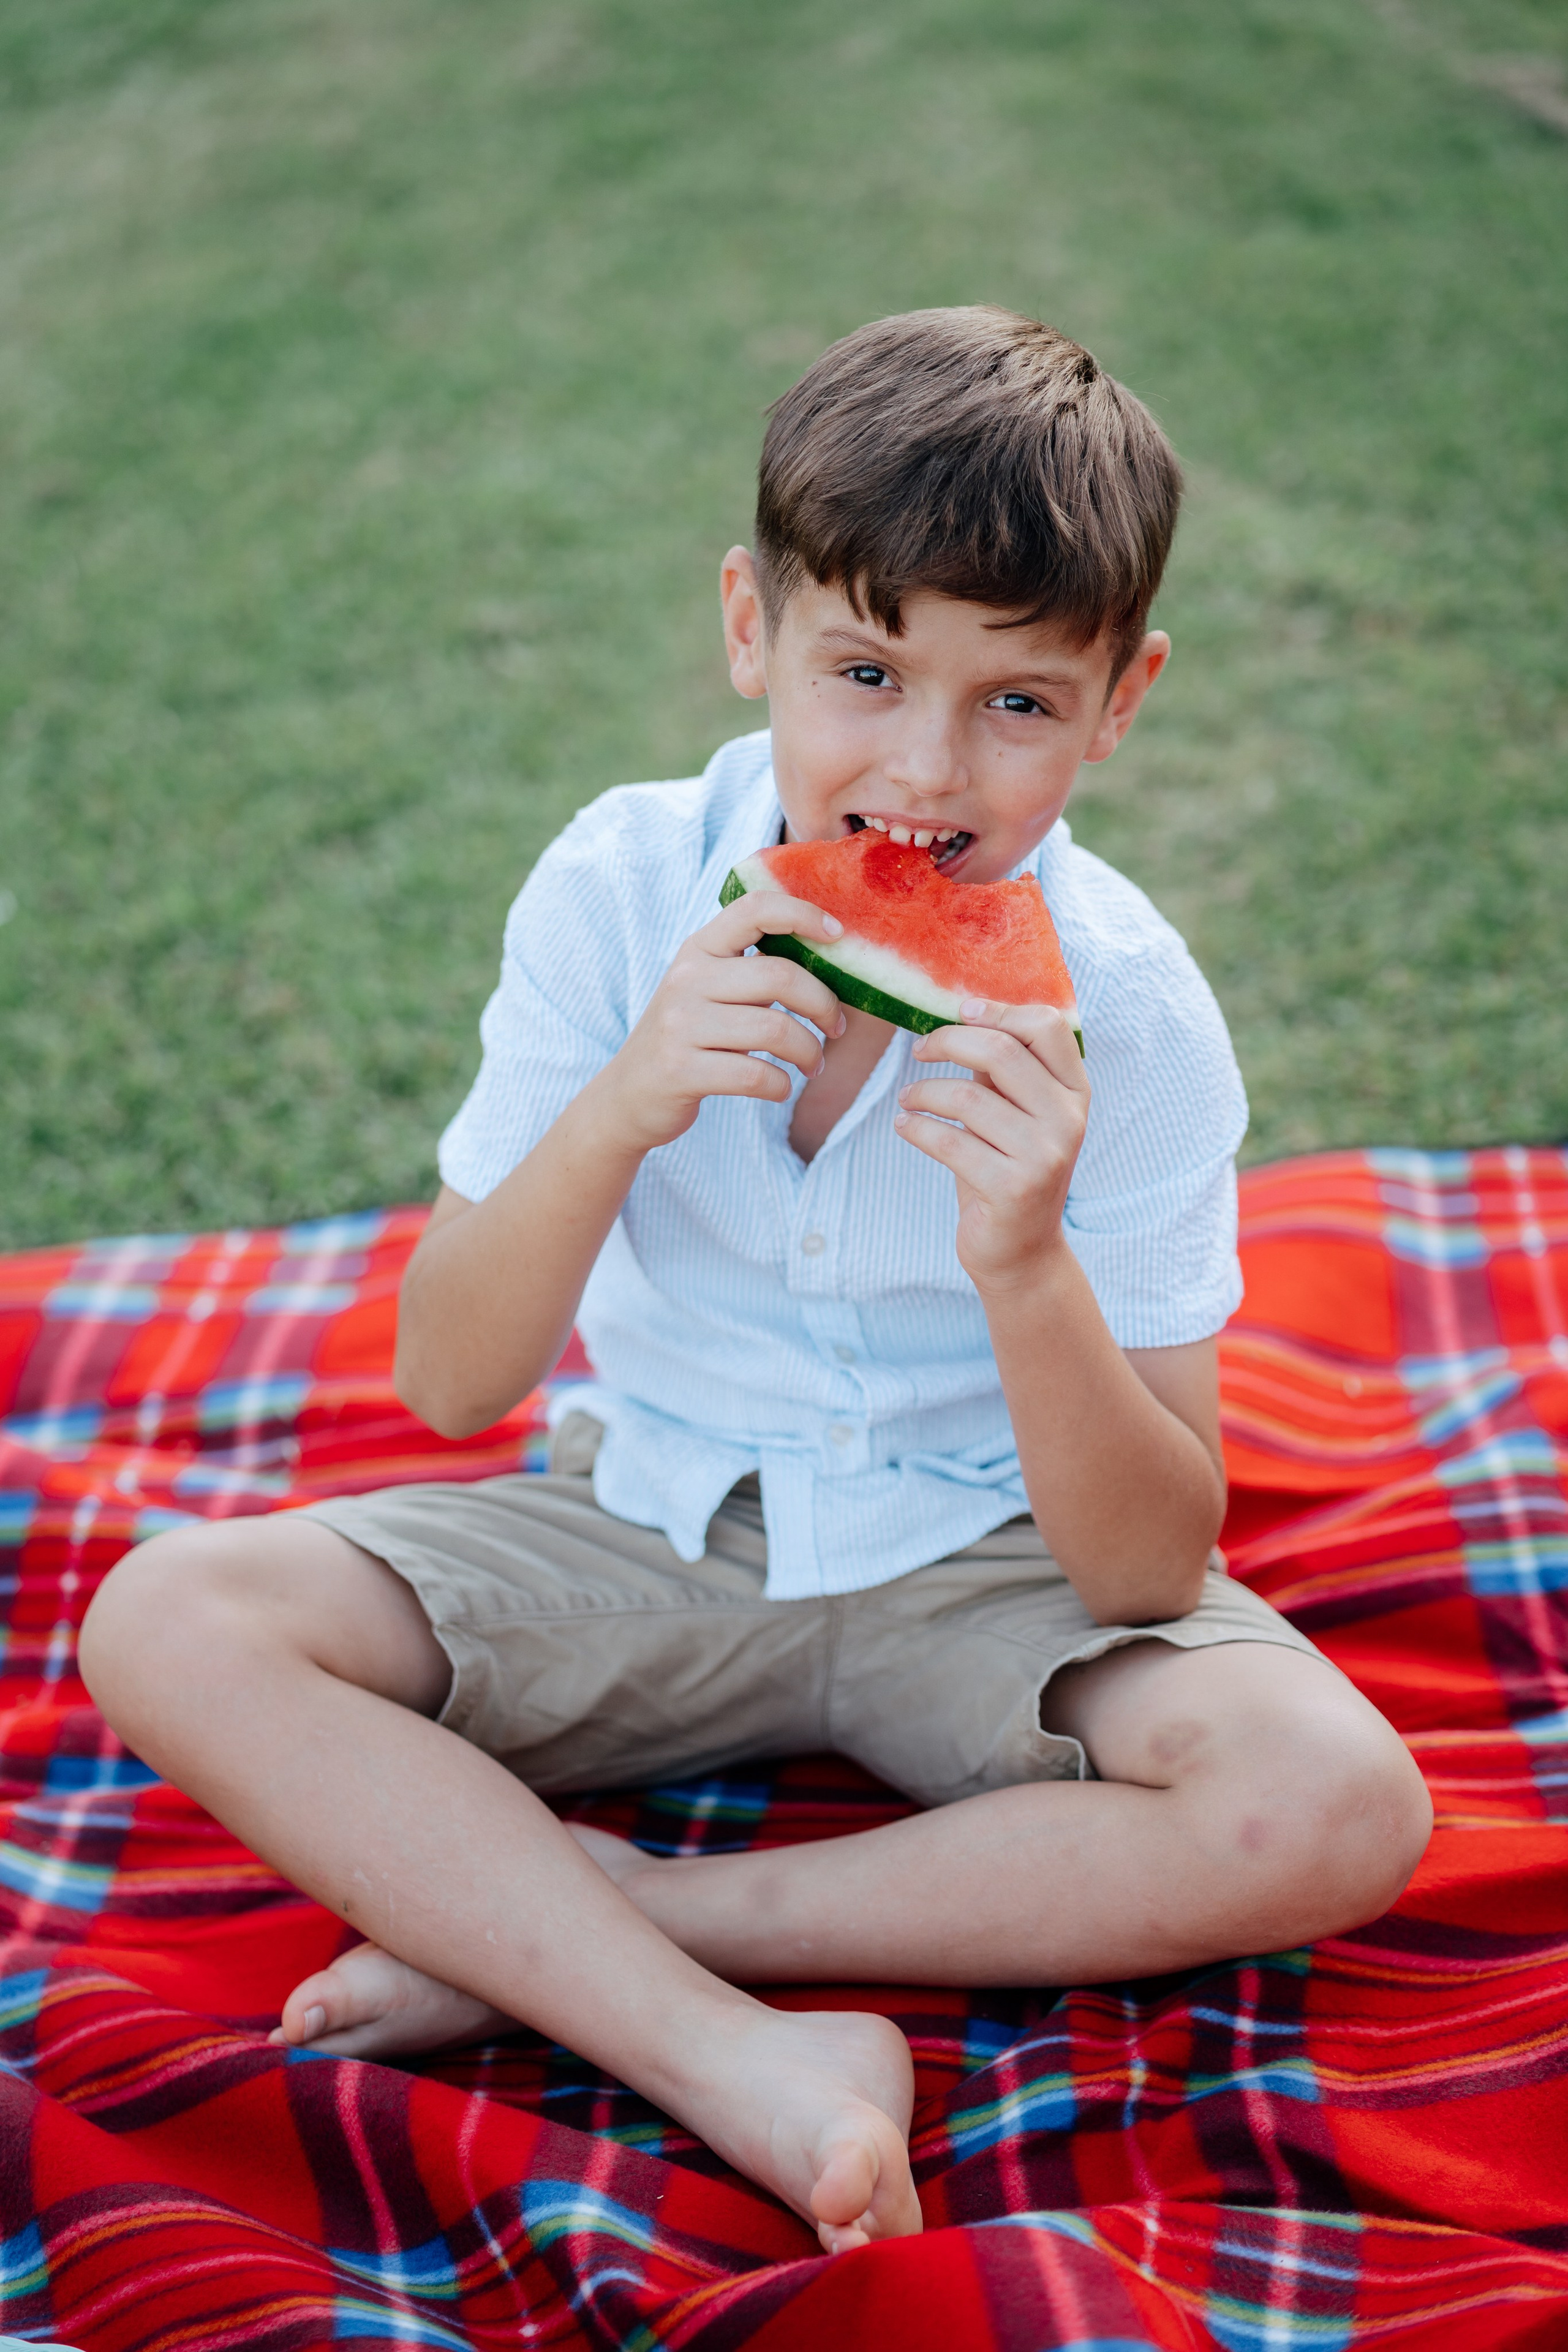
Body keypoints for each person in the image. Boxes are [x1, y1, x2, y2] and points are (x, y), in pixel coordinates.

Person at [80, 307, 1432, 2257]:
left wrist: (1025, 1260)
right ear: (751, 628)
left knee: (1340, 1808)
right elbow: (455, 1383)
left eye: (1019, 706)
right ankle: (736, 2055)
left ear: (1124, 702)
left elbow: (1148, 1568)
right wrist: (622, 1108)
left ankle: (605, 1916)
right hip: (652, 1520)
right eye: (865, 671)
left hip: (992, 1567)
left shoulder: (1126, 1009)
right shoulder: (621, 889)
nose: (924, 771)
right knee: (171, 1617)